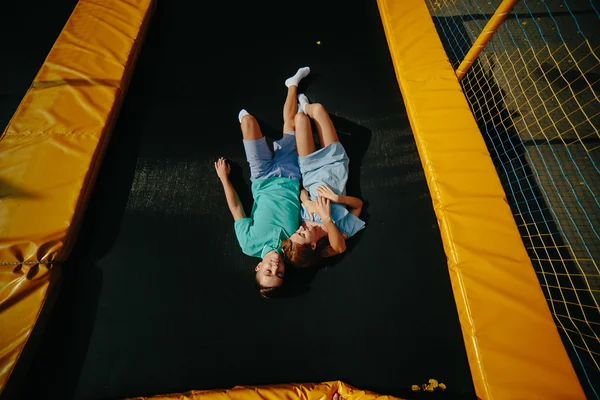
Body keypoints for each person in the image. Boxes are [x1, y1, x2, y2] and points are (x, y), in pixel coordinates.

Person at [215, 67, 311, 297]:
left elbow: (237, 208)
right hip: (290, 175)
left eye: (268, 271)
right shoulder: (293, 249)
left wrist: (224, 179)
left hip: (263, 175)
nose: (275, 267)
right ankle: (292, 84)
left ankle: (260, 130)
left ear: (258, 267)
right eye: (279, 274)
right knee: (293, 124)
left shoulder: (250, 245)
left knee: (247, 121)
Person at [282, 95, 366, 268]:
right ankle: (307, 107)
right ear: (313, 245)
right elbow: (358, 205)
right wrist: (337, 200)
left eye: (296, 232)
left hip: (310, 169)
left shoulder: (302, 221)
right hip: (335, 165)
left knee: (300, 118)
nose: (300, 229)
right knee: (319, 109)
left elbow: (302, 192)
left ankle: (303, 107)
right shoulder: (339, 230)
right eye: (302, 234)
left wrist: (306, 202)